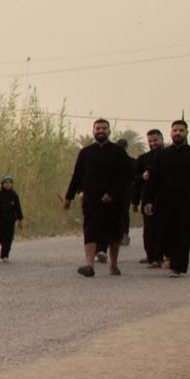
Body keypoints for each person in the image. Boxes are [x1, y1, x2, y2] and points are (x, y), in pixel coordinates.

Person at [64, 117, 131, 276]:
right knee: (90, 230)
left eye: (104, 128)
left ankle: (113, 264)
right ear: (93, 131)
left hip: (114, 200)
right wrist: (69, 196)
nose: (101, 131)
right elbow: (77, 176)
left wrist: (112, 193)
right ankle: (89, 265)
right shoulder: (86, 153)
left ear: (109, 131)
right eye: (98, 128)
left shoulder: (118, 152)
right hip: (91, 199)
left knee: (114, 232)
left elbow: (126, 176)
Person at [147, 120, 190, 277]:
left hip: (187, 202)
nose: (178, 133)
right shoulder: (162, 155)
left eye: (181, 130)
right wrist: (148, 201)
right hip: (165, 201)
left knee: (183, 234)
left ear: (186, 133)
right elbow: (154, 180)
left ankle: (177, 266)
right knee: (164, 233)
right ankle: (169, 256)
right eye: (175, 130)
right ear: (171, 133)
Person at [135, 128, 166, 266]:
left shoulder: (170, 156)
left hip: (166, 197)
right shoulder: (143, 159)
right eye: (150, 141)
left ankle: (165, 255)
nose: (153, 143)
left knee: (165, 227)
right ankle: (153, 257)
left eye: (155, 140)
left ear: (162, 139)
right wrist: (142, 177)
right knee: (150, 229)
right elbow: (133, 178)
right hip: (148, 198)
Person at [0, 175, 23, 260]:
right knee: (1, 236)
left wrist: (20, 220)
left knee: (9, 238)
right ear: (2, 184)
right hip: (2, 220)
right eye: (5, 182)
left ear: (12, 184)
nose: (8, 184)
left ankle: (5, 255)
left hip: (11, 220)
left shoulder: (14, 195)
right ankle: (4, 247)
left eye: (10, 182)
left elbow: (18, 208)